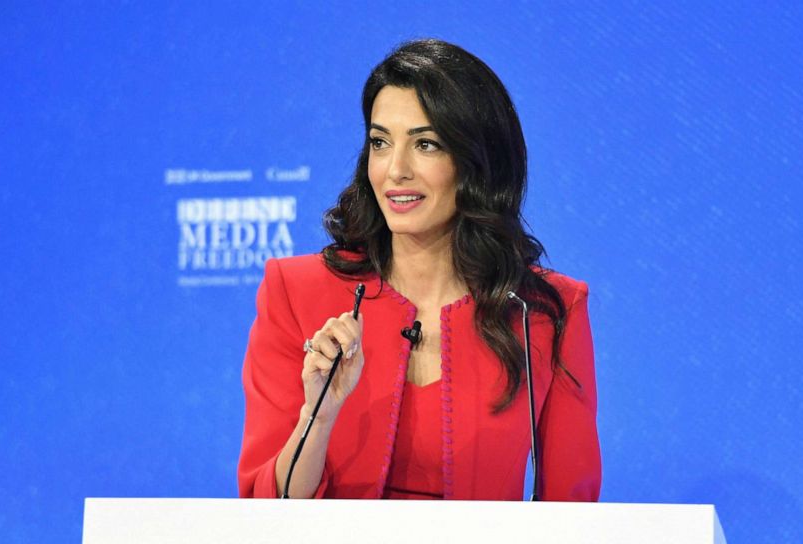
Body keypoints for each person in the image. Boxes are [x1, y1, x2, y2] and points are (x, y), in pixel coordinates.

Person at [238, 39, 600, 501]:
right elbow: (266, 507)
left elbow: (574, 516)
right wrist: (318, 416)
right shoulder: (296, 291)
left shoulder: (545, 311)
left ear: (477, 164)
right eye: (380, 142)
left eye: (426, 144)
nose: (395, 170)